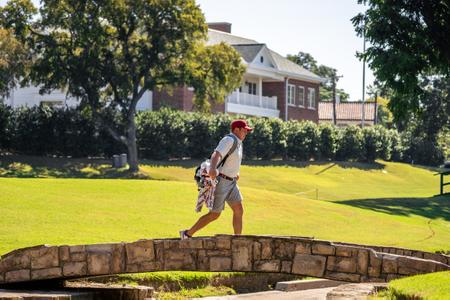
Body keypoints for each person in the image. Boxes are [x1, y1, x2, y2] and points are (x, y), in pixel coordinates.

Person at [180, 119, 253, 239]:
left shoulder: (239, 143)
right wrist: (213, 168)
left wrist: (236, 173)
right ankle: (187, 234)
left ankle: (238, 239)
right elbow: (216, 154)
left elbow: (231, 161)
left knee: (239, 210)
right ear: (236, 129)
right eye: (244, 130)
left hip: (232, 182)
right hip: (221, 182)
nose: (246, 132)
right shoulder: (229, 140)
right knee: (214, 214)